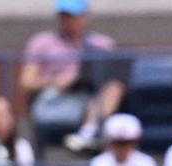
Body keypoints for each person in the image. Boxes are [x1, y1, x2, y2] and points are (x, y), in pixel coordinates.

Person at [19, 0, 125, 153]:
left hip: (92, 99)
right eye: (63, 15)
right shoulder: (42, 42)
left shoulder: (103, 44)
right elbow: (25, 82)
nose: (67, 21)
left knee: (115, 87)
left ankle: (88, 134)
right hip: (56, 100)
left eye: (72, 16)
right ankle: (89, 134)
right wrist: (56, 81)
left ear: (85, 16)